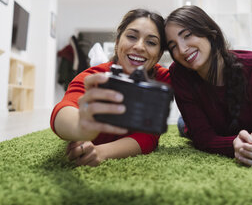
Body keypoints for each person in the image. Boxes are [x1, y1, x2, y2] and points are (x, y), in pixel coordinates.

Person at [165, 5, 252, 168]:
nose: (182, 49)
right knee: (183, 126)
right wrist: (234, 144)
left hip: (247, 130)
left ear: (210, 34)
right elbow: (203, 139)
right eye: (173, 46)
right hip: (203, 124)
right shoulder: (179, 73)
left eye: (187, 35)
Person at [50, 9, 170, 167]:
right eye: (132, 36)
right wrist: (81, 126)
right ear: (118, 41)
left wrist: (102, 152)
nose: (139, 46)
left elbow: (148, 137)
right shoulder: (94, 76)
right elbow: (64, 109)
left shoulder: (163, 79)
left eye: (151, 42)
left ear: (159, 53)